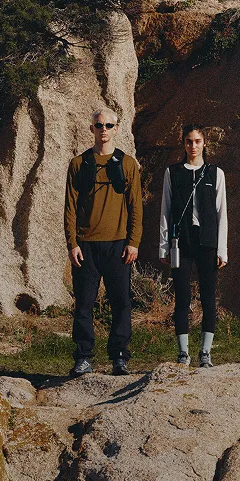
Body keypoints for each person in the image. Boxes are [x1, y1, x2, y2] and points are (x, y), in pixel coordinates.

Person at [64, 108, 143, 376]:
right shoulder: (78, 163)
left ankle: (119, 356)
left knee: (121, 302)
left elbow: (136, 207)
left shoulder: (128, 164)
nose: (104, 130)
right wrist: (72, 243)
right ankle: (84, 356)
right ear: (92, 129)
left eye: (109, 125)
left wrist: (133, 242)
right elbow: (70, 207)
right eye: (99, 125)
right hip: (85, 246)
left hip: (118, 245)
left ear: (117, 128)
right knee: (84, 303)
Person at [159, 124, 228, 367]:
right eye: (189, 141)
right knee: (182, 297)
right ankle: (183, 353)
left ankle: (206, 353)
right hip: (181, 243)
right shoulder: (173, 172)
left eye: (197, 141)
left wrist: (222, 249)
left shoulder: (215, 173)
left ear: (205, 143)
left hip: (208, 242)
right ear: (183, 144)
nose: (193, 146)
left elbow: (222, 214)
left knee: (208, 297)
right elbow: (166, 210)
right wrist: (164, 245)